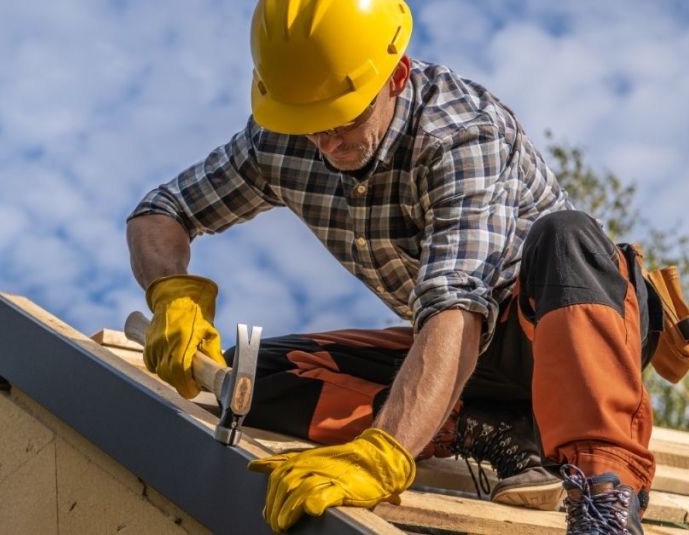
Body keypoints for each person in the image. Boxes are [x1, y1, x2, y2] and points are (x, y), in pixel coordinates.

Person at [126, 0, 656, 532]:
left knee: (567, 236)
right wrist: (172, 293)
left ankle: (603, 493)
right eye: (309, 124)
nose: (327, 142)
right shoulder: (282, 139)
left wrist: (385, 451)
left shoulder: (459, 133)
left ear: (396, 75)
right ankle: (490, 429)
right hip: (466, 354)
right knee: (250, 375)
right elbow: (161, 212)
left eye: (345, 118)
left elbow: (457, 303)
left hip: (559, 331)